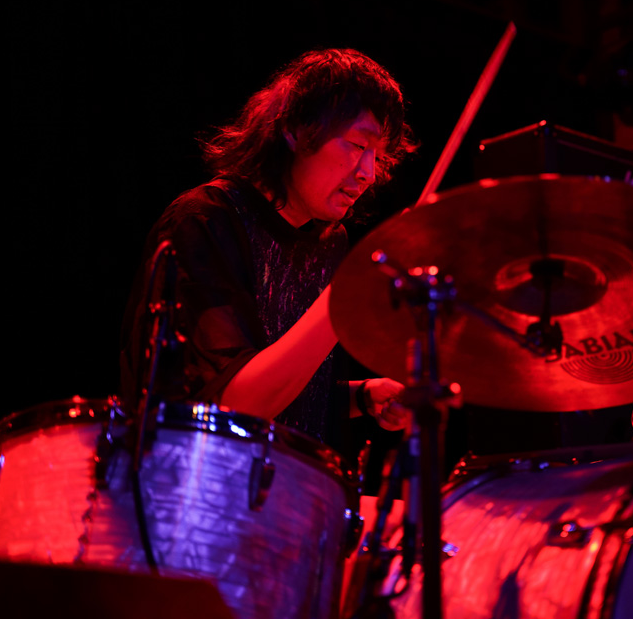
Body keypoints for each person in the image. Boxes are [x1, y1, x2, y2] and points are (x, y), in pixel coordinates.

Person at [120, 48, 415, 448]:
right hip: (192, 478)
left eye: (377, 156)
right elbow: (231, 406)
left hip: (287, 480)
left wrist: (360, 396)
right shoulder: (205, 222)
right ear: (295, 130)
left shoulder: (330, 241)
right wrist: (343, 294)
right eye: (356, 146)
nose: (368, 173)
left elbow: (288, 393)